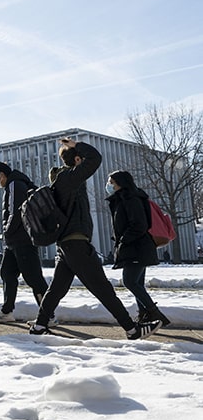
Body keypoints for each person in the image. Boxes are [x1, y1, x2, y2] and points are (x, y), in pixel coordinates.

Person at [29, 138, 161, 340]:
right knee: (103, 289)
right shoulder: (69, 179)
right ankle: (132, 330)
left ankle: (39, 327)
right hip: (76, 244)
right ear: (78, 160)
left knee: (56, 289)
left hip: (66, 246)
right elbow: (96, 158)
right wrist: (76, 146)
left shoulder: (60, 182)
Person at [0, 163, 50, 323]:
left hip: (22, 239)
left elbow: (16, 211)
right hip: (14, 241)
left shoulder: (15, 184)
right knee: (7, 273)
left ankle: (48, 316)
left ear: (2, 175)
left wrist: (7, 231)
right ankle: (7, 311)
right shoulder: (14, 184)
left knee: (33, 278)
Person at [106, 170, 170, 327]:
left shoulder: (130, 198)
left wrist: (123, 240)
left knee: (130, 282)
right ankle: (145, 315)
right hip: (136, 247)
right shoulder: (125, 198)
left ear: (120, 183)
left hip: (136, 248)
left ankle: (155, 314)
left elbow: (139, 225)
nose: (109, 185)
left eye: (111, 182)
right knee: (137, 283)